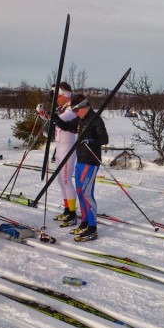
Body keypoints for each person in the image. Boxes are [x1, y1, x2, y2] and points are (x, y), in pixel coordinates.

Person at [55, 94, 109, 242]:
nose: (75, 113)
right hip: (80, 160)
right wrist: (54, 118)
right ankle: (85, 222)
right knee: (80, 192)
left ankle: (93, 229)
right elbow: (67, 127)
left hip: (91, 162)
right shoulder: (81, 119)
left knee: (86, 194)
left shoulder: (95, 119)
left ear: (84, 106)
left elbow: (104, 138)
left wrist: (90, 140)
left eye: (76, 110)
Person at [38, 82, 78, 227]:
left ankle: (73, 213)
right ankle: (67, 210)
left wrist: (49, 115)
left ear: (64, 95)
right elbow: (53, 117)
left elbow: (60, 119)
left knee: (67, 181)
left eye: (56, 96)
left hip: (68, 149)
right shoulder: (61, 108)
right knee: (61, 181)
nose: (55, 99)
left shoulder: (72, 108)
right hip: (59, 148)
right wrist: (43, 114)